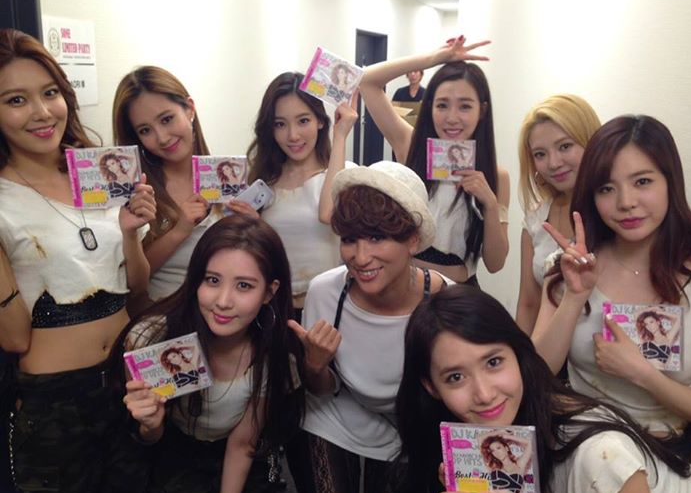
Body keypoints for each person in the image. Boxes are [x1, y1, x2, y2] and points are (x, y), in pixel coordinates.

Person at [0, 28, 155, 493]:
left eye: (49, 93)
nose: (42, 112)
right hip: (55, 401)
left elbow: (136, 288)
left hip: (124, 381)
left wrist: (129, 232)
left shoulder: (100, 174)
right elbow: (14, 338)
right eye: (16, 100)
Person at [394, 285, 691, 493]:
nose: (484, 394)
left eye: (493, 362)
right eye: (455, 377)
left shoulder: (600, 456)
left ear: (518, 355)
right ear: (431, 387)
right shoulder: (462, 444)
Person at [532, 115, 691, 476]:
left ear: (670, 182)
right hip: (581, 448)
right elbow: (536, 372)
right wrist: (574, 297)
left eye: (642, 181)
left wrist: (642, 374)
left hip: (663, 457)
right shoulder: (571, 266)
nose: (626, 202)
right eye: (606, 188)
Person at [284, 161, 448, 493]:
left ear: (412, 240)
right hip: (336, 417)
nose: (360, 257)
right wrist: (315, 365)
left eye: (376, 237)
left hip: (407, 428)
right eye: (349, 239)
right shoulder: (325, 292)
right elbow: (321, 390)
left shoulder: (444, 302)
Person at [123, 214, 304, 493]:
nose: (223, 301)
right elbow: (146, 439)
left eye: (244, 286)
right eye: (212, 280)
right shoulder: (153, 338)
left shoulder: (273, 356)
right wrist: (149, 425)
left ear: (269, 292)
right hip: (168, 452)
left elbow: (243, 444)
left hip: (238, 459)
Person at [359, 35, 509, 283]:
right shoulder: (411, 147)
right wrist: (434, 59)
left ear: (481, 111)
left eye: (464, 106)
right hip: (406, 290)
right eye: (442, 105)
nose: (452, 118)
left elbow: (495, 264)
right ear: (430, 108)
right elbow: (367, 81)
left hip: (456, 298)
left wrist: (490, 205)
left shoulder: (496, 175)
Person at [113, 66, 255, 304]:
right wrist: (179, 231)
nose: (162, 137)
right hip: (163, 318)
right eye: (145, 130)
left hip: (228, 315)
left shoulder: (229, 174)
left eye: (167, 119)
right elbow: (131, 283)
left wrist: (254, 228)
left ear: (189, 109)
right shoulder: (135, 191)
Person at [247, 71, 357, 315]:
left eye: (303, 121)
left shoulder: (345, 174)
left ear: (320, 121)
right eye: (280, 124)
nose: (293, 135)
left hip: (331, 308)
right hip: (274, 309)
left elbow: (329, 215)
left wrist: (340, 135)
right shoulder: (262, 182)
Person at [515, 95, 601, 334]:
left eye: (565, 146)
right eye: (540, 154)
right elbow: (528, 303)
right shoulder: (536, 220)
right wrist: (523, 356)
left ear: (591, 143)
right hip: (548, 349)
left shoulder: (615, 213)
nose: (553, 163)